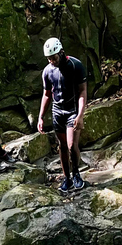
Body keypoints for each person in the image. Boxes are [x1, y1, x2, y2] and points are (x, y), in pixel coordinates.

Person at [37, 37, 87, 192]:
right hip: (57, 111)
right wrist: (41, 116)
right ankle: (67, 178)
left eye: (54, 57)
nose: (52, 61)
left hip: (72, 110)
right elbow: (46, 95)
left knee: (72, 145)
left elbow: (82, 91)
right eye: (49, 59)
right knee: (62, 146)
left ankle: (77, 173)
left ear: (61, 52)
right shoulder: (47, 71)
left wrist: (80, 115)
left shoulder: (75, 65)